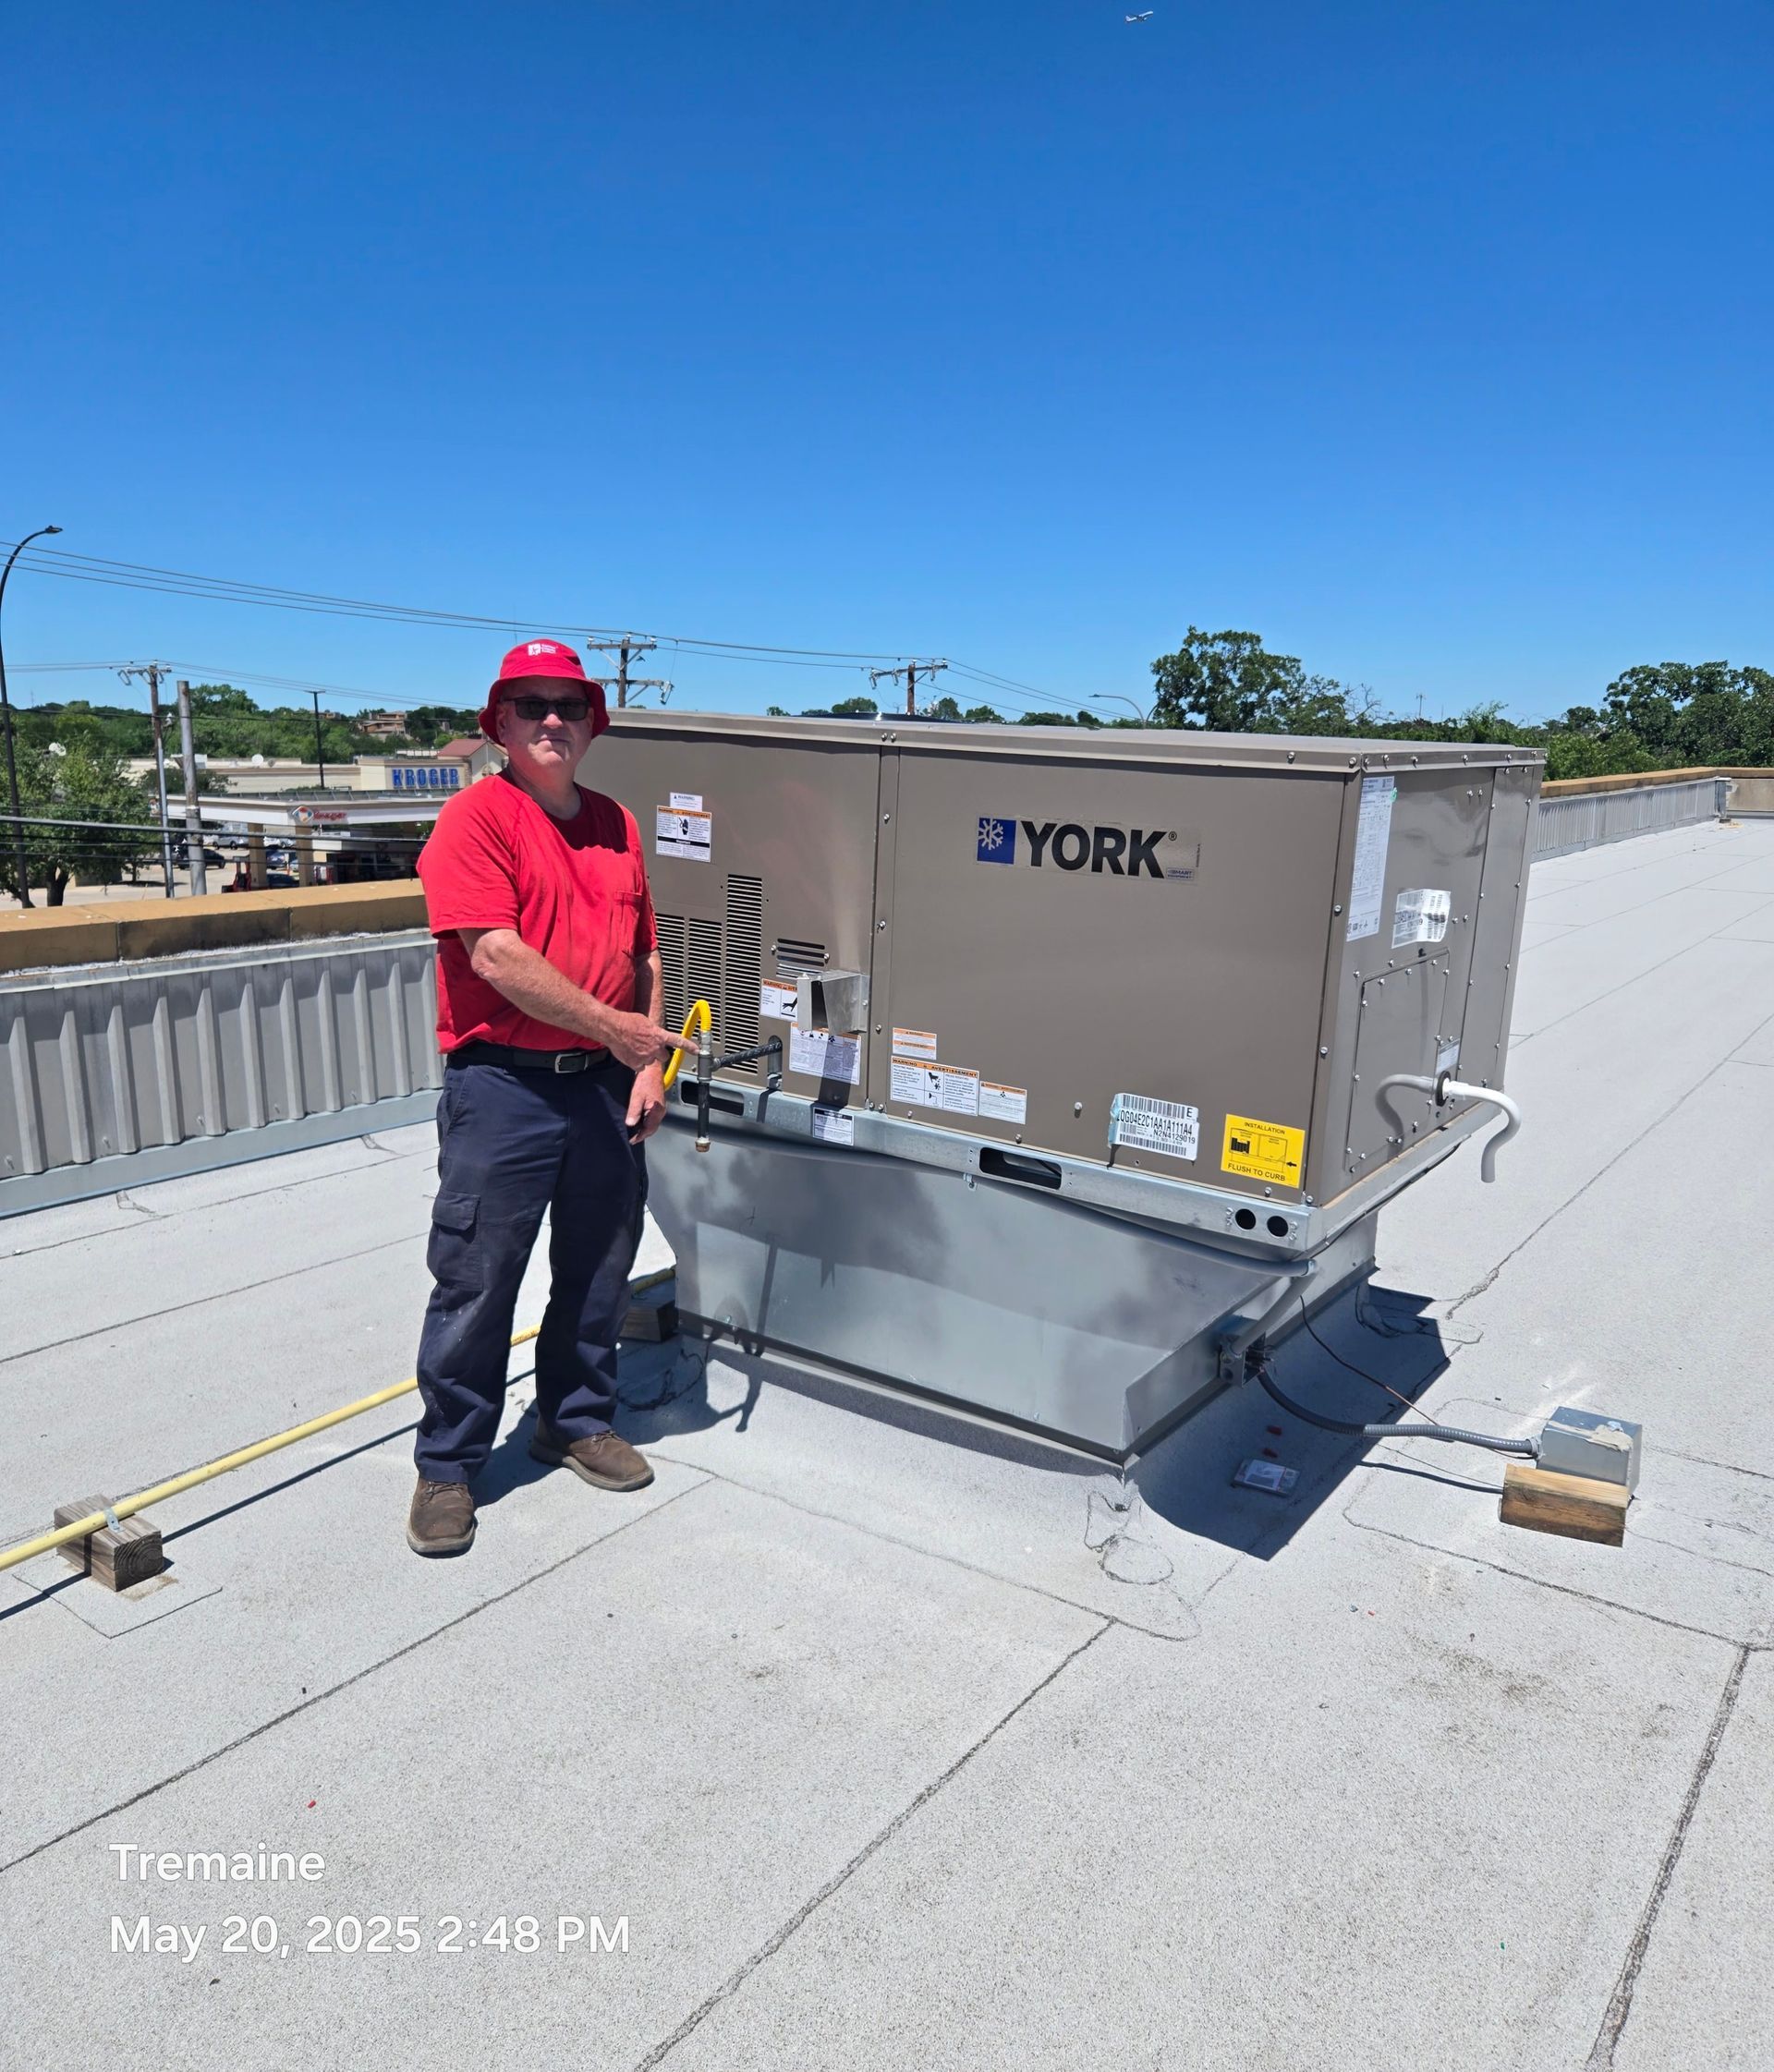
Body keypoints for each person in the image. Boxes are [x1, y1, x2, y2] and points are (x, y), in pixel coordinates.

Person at [405, 638, 683, 1556]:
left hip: (605, 1084)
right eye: (531, 705)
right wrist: (619, 1032)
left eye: (568, 703)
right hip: (505, 1089)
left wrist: (644, 1060)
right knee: (479, 1276)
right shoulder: (476, 820)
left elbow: (644, 950)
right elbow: (495, 955)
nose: (551, 719)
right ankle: (448, 1465)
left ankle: (573, 1418)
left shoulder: (617, 822)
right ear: (500, 725)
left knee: (601, 1261)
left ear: (593, 720)